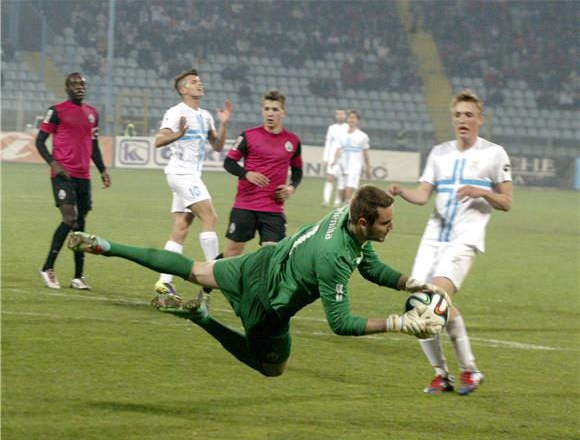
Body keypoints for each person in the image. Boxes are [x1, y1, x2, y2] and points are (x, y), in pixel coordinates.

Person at [68, 185, 449, 377]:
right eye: (386, 222)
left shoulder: (345, 217)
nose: (392, 227)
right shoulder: (334, 257)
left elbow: (369, 266)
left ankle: (105, 245)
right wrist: (400, 323)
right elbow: (341, 323)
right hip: (266, 304)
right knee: (271, 368)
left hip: (256, 264)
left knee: (195, 270)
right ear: (364, 222)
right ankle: (202, 317)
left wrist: (411, 284)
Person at [388, 89, 513, 395]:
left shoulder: (494, 154)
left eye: (469, 115)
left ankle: (470, 370)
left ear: (480, 119)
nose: (462, 120)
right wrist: (404, 192)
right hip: (432, 239)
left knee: (433, 300)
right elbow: (422, 195)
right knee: (421, 307)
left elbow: (507, 202)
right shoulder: (439, 153)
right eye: (458, 114)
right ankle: (442, 375)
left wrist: (482, 192)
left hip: (464, 240)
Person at [153, 68, 233, 306]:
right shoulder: (176, 112)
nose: (199, 84)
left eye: (200, 81)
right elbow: (158, 140)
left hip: (190, 175)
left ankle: (164, 280)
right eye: (193, 82)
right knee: (210, 217)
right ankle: (215, 275)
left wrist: (224, 124)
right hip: (181, 173)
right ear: (183, 89)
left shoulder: (206, 115)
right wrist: (178, 133)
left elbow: (218, 146)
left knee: (181, 228)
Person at [36, 72, 111, 290]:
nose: (79, 87)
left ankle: (78, 277)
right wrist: (53, 164)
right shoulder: (56, 111)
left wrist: (103, 170)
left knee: (80, 226)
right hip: (63, 174)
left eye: (82, 84)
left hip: (83, 176)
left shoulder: (92, 113)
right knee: (69, 218)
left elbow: (93, 145)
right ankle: (47, 267)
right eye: (74, 84)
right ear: (67, 89)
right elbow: (39, 142)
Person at [222, 89, 302, 258]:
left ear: (283, 112)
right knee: (231, 255)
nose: (270, 113)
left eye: (275, 109)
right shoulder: (248, 136)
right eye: (266, 109)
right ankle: (207, 282)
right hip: (245, 206)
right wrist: (247, 174)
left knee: (273, 256)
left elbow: (297, 170)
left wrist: (291, 188)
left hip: (273, 208)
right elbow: (228, 162)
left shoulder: (293, 141)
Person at [330, 111, 371, 205]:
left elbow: (365, 153)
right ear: (347, 119)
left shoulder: (362, 136)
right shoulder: (341, 135)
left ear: (358, 120)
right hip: (342, 165)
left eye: (354, 118)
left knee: (349, 187)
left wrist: (368, 168)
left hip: (355, 166)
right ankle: (347, 205)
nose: (351, 120)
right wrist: (334, 161)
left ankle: (347, 210)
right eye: (350, 117)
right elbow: (338, 149)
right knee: (342, 190)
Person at [321, 109, 348, 208]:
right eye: (338, 114)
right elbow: (328, 144)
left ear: (345, 116)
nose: (340, 116)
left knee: (341, 180)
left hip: (343, 157)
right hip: (332, 156)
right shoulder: (332, 128)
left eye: (342, 114)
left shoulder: (348, 128)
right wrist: (325, 158)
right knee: (329, 178)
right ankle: (326, 201)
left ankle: (337, 201)